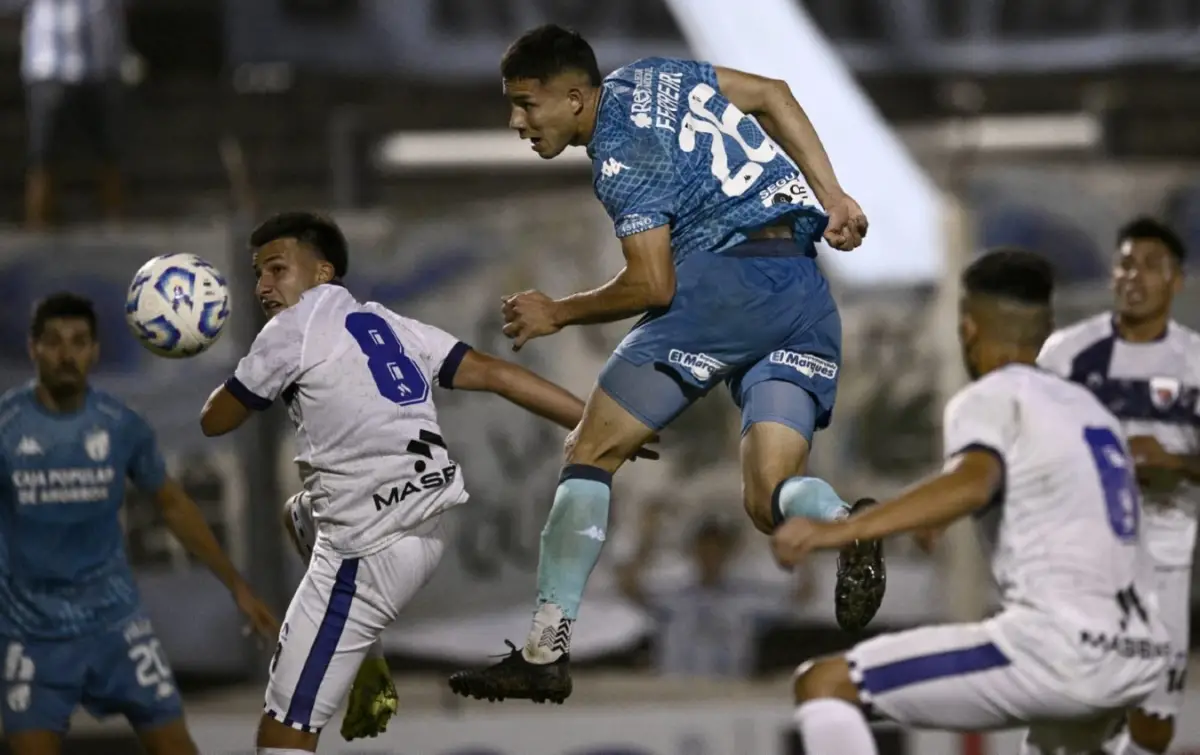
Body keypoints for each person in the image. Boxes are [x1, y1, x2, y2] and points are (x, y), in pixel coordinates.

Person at [447, 23, 882, 706]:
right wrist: (833, 193)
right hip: (801, 290)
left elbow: (654, 286)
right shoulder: (654, 75)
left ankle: (545, 649)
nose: (517, 122)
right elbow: (772, 93)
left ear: (575, 97)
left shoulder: (621, 152)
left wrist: (557, 311)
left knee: (589, 451)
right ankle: (848, 521)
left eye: (528, 105)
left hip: (725, 289)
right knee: (769, 498)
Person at [197, 211, 652, 754]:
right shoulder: (387, 322)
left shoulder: (289, 330)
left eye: (276, 269)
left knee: (283, 730)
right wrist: (598, 419)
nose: (263, 286)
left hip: (366, 549)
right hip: (425, 530)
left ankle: (357, 648)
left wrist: (189, 342)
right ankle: (365, 661)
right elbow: (496, 374)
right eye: (258, 273)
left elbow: (215, 420)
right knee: (300, 513)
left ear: (321, 273)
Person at [777, 249, 1170, 755]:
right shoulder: (1090, 412)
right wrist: (940, 508)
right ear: (1045, 328)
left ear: (967, 329)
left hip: (1061, 652)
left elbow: (974, 482)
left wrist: (846, 528)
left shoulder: (989, 397)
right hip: (1137, 653)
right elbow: (1021, 484)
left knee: (825, 684)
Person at [0, 293, 278, 755]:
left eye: (79, 342)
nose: (66, 354)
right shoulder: (7, 427)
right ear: (33, 349)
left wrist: (237, 586)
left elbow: (174, 506)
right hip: (31, 634)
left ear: (95, 351)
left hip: (115, 626)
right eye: (53, 342)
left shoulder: (119, 425)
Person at [1037, 217, 1200, 755]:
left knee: (1153, 726)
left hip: (1166, 558)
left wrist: (1175, 462)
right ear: (1112, 275)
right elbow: (1031, 442)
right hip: (1083, 558)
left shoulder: (1195, 361)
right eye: (1127, 263)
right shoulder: (1066, 355)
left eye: (1152, 266)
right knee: (1069, 707)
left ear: (1177, 281)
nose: (1136, 276)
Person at [20, 0, 129, 228]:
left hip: (101, 65)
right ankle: (39, 220)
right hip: (49, 65)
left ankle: (114, 216)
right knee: (43, 153)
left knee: (110, 148)